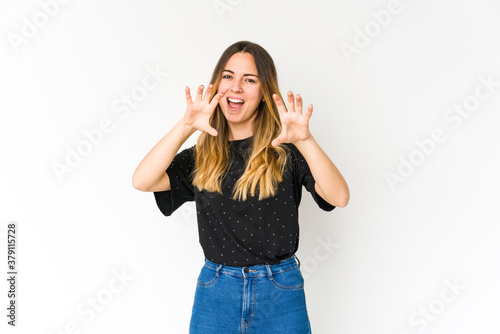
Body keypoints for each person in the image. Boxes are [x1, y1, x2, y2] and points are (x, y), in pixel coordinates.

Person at [132, 40, 349, 334]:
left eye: (249, 80)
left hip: (280, 291)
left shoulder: (286, 151)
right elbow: (142, 180)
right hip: (216, 292)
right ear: (217, 86)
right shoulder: (201, 157)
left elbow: (339, 196)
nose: (236, 87)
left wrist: (305, 141)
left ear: (263, 93)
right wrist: (186, 125)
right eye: (228, 76)